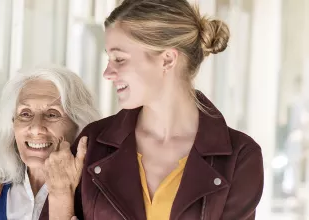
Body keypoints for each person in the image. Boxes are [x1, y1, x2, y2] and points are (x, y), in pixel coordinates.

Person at [43, 0, 264, 219]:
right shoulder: (92, 143)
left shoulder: (240, 158)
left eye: (119, 59)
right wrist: (60, 195)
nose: (108, 73)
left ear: (167, 59)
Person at [0, 66, 100, 220]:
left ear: (79, 126)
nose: (36, 128)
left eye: (52, 114)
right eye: (25, 114)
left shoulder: (100, 196)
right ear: (12, 124)